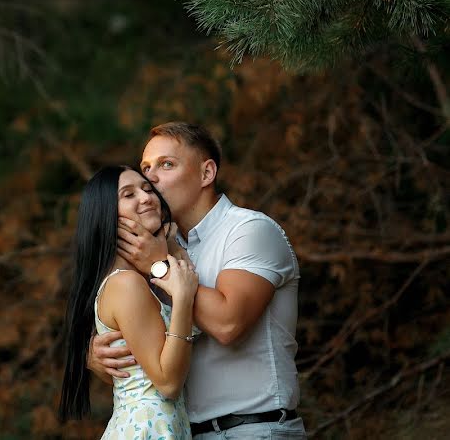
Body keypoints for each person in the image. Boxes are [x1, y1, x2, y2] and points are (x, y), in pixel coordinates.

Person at [89, 122, 305, 438]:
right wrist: (97, 356)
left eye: (166, 164)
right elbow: (150, 358)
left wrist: (159, 266)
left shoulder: (249, 231)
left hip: (254, 428)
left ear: (206, 174)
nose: (151, 178)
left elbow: (228, 324)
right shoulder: (163, 247)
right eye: (146, 168)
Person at [59, 165, 199, 440]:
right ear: (106, 215)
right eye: (128, 194)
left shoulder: (130, 281)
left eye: (148, 189)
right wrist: (182, 299)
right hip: (148, 427)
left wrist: (169, 246)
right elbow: (168, 383)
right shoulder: (126, 284)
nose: (146, 198)